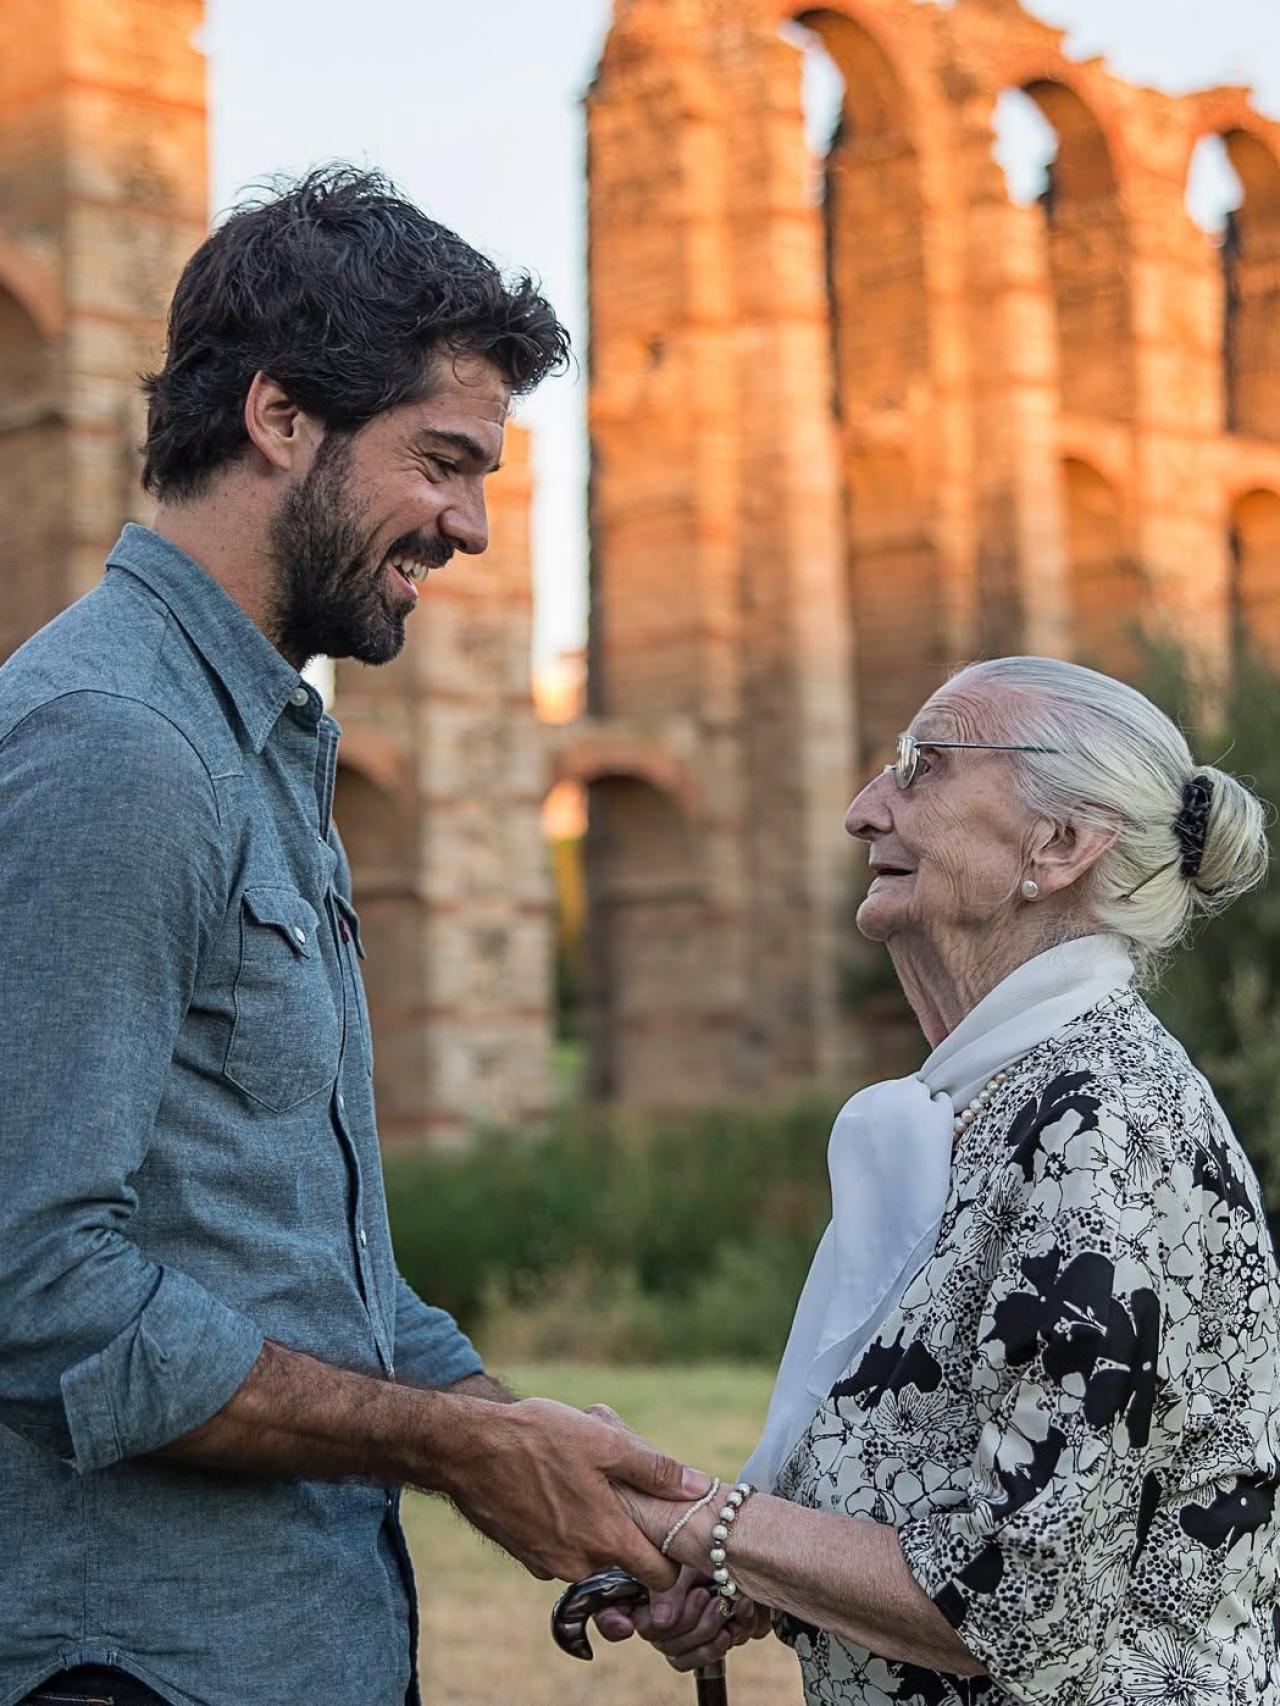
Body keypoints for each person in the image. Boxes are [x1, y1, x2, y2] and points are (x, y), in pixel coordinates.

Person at [0, 166, 706, 1706]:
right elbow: (36, 1287)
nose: (465, 523)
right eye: (444, 462)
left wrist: (533, 1443)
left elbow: (307, 1268)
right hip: (134, 1668)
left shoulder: (254, 742)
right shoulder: (113, 749)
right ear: (277, 419)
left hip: (282, 1646)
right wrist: (455, 1444)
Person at [598, 656, 1280, 1703]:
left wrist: (685, 1515)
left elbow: (1021, 1596)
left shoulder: (1098, 1121)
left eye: (920, 766)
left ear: (1058, 844)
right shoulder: (1010, 1097)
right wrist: (754, 1577)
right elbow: (943, 1487)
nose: (860, 809)